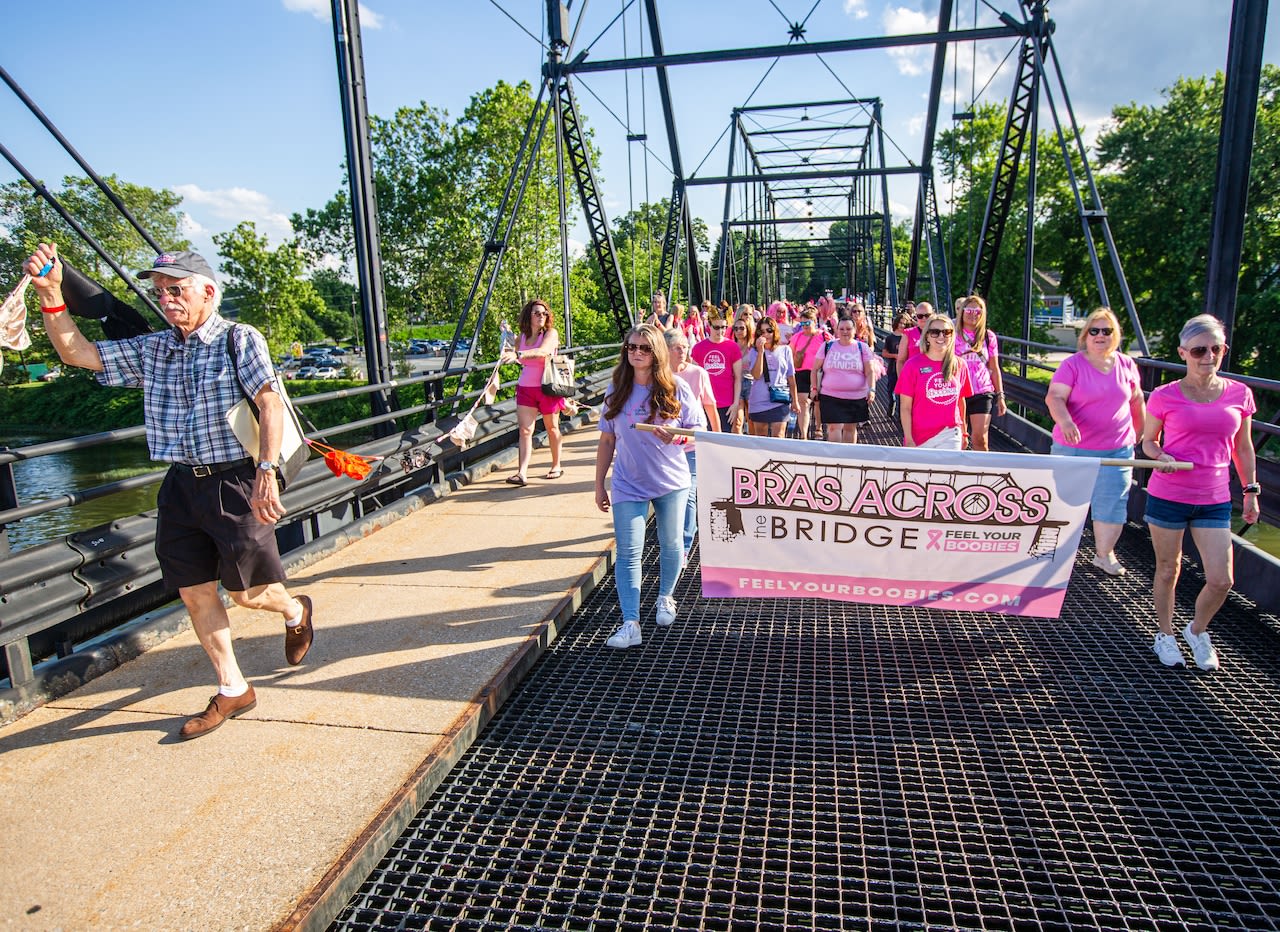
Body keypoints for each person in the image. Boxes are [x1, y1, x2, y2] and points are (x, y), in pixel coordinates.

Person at [24, 243, 314, 740]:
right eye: (160, 291)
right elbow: (77, 353)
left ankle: (295, 609)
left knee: (247, 594)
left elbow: (269, 403)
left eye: (176, 289)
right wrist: (52, 295)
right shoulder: (154, 348)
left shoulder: (239, 339)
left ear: (208, 291)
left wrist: (267, 469)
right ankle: (232, 688)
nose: (166, 299)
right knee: (194, 590)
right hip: (181, 483)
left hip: (235, 479)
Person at [1141, 314, 1259, 671]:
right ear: (1183, 353)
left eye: (1216, 348)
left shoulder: (1240, 394)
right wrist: (1161, 456)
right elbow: (1147, 442)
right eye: (1198, 350)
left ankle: (1197, 630)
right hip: (1169, 494)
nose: (1208, 355)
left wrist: (1250, 490)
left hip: (1214, 498)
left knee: (1222, 580)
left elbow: (1244, 447)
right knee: (1167, 570)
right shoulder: (1164, 395)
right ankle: (1164, 634)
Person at [594, 325, 706, 649]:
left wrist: (678, 435)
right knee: (629, 553)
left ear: (655, 351)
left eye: (643, 348)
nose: (636, 353)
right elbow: (606, 439)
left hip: (670, 481)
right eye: (631, 347)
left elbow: (699, 430)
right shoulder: (616, 390)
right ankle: (630, 622)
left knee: (670, 544)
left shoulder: (675, 388)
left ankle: (665, 597)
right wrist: (599, 484)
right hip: (628, 482)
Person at [1046, 308, 1145, 576]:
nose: (1100, 336)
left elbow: (1136, 401)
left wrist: (1140, 434)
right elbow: (1055, 397)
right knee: (1065, 501)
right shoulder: (1072, 365)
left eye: (1107, 331)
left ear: (1115, 335)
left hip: (1117, 448)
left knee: (1112, 502)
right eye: (1095, 330)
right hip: (1074, 448)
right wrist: (1065, 422)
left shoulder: (1126, 364)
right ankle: (1055, 553)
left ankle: (1104, 555)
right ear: (1085, 335)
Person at [664, 328, 720, 564]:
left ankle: (684, 546)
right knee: (668, 495)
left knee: (689, 494)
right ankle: (671, 541)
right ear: (665, 350)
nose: (683, 351)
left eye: (685, 347)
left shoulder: (698, 373)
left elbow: (710, 405)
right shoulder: (658, 375)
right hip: (666, 446)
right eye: (677, 347)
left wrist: (718, 439)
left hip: (691, 442)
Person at [501, 298, 565, 486]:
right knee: (525, 430)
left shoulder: (550, 334)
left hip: (547, 387)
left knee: (552, 428)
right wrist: (507, 336)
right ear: (528, 315)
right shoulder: (521, 337)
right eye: (537, 313)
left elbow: (543, 351)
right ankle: (521, 473)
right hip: (525, 388)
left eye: (544, 313)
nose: (541, 316)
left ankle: (556, 465)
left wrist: (517, 354)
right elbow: (512, 355)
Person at [896, 313, 972, 450]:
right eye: (935, 332)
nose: (941, 336)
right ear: (926, 336)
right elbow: (905, 407)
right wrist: (908, 438)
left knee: (947, 471)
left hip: (950, 433)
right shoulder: (912, 366)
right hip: (919, 436)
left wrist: (964, 433)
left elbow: (961, 402)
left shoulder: (960, 365)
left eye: (946, 332)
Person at [811, 316, 877, 444]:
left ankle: (847, 459)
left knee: (850, 428)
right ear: (837, 330)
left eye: (848, 328)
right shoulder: (827, 346)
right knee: (833, 427)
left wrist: (872, 389)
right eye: (841, 328)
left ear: (854, 330)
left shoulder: (862, 348)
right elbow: (814, 369)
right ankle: (835, 459)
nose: (845, 331)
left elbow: (870, 371)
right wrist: (814, 388)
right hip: (830, 394)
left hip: (856, 396)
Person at [953, 295, 1007, 451]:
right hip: (957, 391)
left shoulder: (988, 337)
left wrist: (1000, 395)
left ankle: (982, 473)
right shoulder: (952, 334)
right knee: (958, 440)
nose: (973, 314)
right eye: (969, 310)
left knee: (980, 439)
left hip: (982, 391)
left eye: (978, 310)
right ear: (962, 312)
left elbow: (994, 368)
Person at [744, 317, 799, 438]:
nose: (766, 334)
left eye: (769, 330)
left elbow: (791, 378)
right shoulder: (754, 351)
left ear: (775, 331)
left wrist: (795, 401)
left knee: (779, 437)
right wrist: (760, 352)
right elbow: (756, 375)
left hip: (780, 398)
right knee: (761, 438)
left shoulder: (785, 350)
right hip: (759, 400)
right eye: (762, 332)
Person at [690, 315, 743, 432]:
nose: (721, 331)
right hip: (705, 404)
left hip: (726, 404)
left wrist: (735, 404)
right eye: (717, 327)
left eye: (724, 327)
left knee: (724, 442)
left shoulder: (732, 347)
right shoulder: (698, 348)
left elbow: (738, 378)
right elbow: (693, 379)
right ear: (709, 327)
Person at [788, 309, 826, 441]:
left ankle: (818, 428)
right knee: (803, 403)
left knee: (818, 402)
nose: (804, 326)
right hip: (801, 373)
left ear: (815, 322)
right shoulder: (796, 337)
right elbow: (790, 355)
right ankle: (803, 435)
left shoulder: (823, 337)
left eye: (807, 323)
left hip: (818, 372)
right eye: (802, 324)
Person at [881, 310, 912, 417]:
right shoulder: (890, 338)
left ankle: (900, 415)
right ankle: (891, 403)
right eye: (900, 323)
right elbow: (884, 353)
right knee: (891, 390)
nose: (902, 325)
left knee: (903, 393)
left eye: (904, 323)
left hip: (905, 369)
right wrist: (895, 356)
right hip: (893, 368)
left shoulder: (909, 337)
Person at [731, 315, 756, 434]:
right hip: (737, 383)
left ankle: (751, 448)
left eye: (741, 328)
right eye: (736, 329)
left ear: (747, 329)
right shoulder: (731, 346)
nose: (738, 331)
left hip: (751, 383)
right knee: (737, 420)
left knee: (752, 419)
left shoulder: (753, 347)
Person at [895, 301, 933, 373]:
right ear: (916, 316)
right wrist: (903, 382)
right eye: (920, 316)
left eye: (927, 315)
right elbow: (900, 361)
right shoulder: (908, 334)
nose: (924, 318)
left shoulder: (939, 333)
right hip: (914, 375)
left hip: (934, 377)